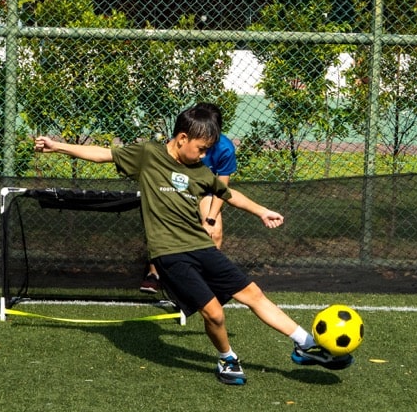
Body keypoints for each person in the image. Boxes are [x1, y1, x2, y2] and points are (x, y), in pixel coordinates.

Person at [34, 105, 352, 386]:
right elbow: (104, 154)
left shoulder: (199, 171)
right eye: (201, 149)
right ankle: (227, 357)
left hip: (202, 247)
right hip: (169, 254)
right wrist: (57, 147)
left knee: (253, 294)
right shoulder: (148, 155)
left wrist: (262, 211)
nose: (203, 156)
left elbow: (228, 195)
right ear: (182, 138)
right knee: (213, 313)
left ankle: (306, 344)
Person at [141, 102, 235, 293]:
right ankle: (154, 273)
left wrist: (210, 219)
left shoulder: (225, 149)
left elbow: (221, 188)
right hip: (178, 187)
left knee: (215, 231)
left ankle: (205, 281)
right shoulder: (184, 142)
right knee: (163, 226)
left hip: (206, 192)